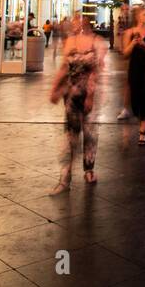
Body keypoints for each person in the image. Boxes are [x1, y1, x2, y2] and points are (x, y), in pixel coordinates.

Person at [48, 14, 102, 192]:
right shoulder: (70, 42)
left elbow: (97, 71)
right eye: (75, 21)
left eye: (80, 21)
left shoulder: (97, 42)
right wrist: (55, 88)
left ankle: (89, 169)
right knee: (70, 134)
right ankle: (65, 176)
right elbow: (65, 67)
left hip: (89, 93)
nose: (76, 24)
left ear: (87, 23)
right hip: (71, 93)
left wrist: (91, 96)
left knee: (89, 133)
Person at [122, 7, 145, 146]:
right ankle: (141, 127)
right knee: (136, 101)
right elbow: (125, 54)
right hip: (135, 70)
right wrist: (133, 43)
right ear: (137, 16)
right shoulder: (129, 32)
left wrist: (144, 44)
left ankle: (142, 134)